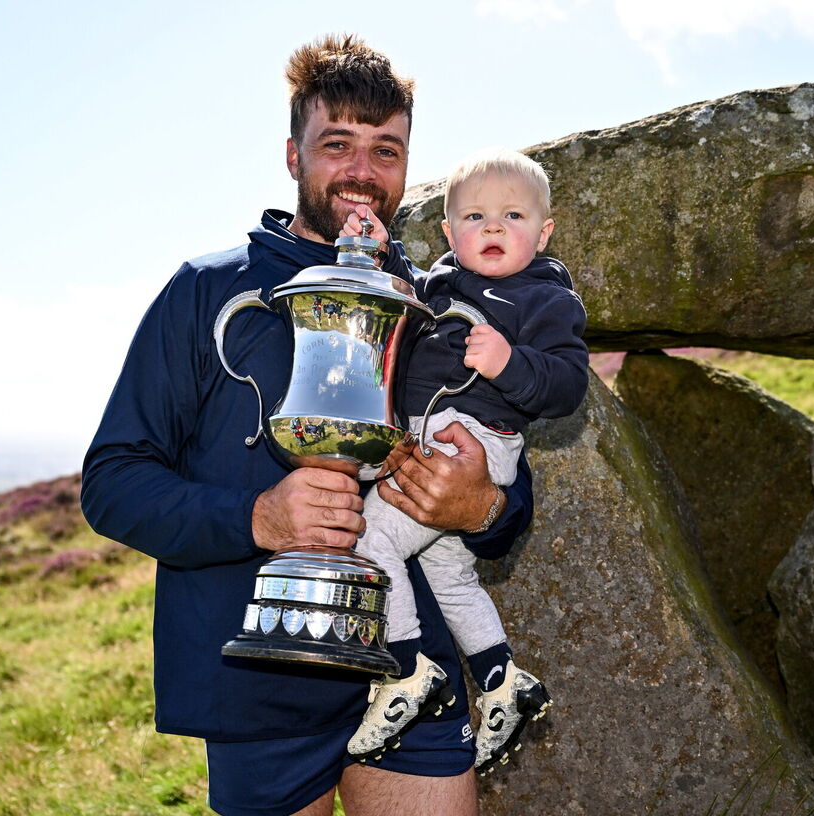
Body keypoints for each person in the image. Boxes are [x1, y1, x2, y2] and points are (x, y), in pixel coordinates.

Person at [80, 35, 534, 816]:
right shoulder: (206, 292)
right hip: (259, 683)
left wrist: (484, 506)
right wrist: (257, 517)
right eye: (337, 144)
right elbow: (113, 482)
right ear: (293, 155)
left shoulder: (437, 303)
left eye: (385, 149)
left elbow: (509, 484)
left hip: (409, 675)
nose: (362, 170)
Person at [340, 149, 587, 776]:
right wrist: (376, 252)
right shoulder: (441, 285)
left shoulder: (545, 299)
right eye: (475, 216)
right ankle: (502, 682)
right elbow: (405, 297)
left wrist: (509, 363)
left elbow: (567, 386)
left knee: (369, 537)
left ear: (544, 233)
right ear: (449, 234)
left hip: (473, 439)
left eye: (513, 215)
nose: (494, 226)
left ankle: (405, 670)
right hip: (427, 435)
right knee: (449, 574)